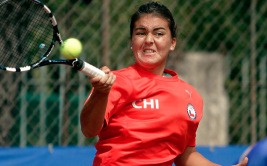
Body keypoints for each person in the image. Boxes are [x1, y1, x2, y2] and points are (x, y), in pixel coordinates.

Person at [80, 2, 248, 166]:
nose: (149, 40)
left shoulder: (190, 96)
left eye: (158, 33)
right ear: (131, 41)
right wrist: (100, 92)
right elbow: (88, 130)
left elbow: (185, 154)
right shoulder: (114, 82)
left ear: (172, 43)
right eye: (140, 33)